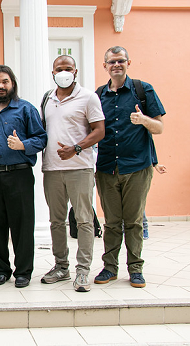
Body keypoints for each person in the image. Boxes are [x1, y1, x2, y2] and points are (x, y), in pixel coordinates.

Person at [94, 46, 165, 288]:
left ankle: (135, 269)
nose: (116, 65)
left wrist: (143, 120)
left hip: (136, 167)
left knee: (134, 221)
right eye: (112, 61)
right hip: (106, 167)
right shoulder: (99, 94)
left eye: (121, 61)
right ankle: (109, 268)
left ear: (128, 63)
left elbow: (159, 127)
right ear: (105, 65)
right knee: (112, 222)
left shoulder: (142, 90)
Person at [39, 57, 104, 292]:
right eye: (59, 69)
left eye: (67, 69)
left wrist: (76, 148)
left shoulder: (88, 97)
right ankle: (61, 266)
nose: (63, 72)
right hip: (52, 169)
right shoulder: (48, 98)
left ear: (75, 71)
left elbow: (99, 131)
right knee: (56, 221)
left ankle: (83, 271)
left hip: (80, 168)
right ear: (52, 72)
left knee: (84, 220)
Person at [0, 65, 47, 289]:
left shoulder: (26, 109)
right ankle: (0, 270)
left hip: (19, 175)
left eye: (5, 82)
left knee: (22, 225)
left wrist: (23, 145)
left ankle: (23, 272)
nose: (1, 86)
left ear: (12, 84)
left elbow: (41, 138)